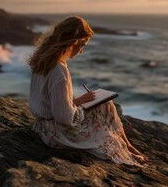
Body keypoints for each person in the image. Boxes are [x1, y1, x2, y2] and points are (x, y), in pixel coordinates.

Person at [28, 16, 148, 165]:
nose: (81, 51)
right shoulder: (59, 71)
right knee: (104, 108)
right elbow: (65, 119)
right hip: (56, 133)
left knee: (104, 103)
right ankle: (126, 148)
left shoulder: (42, 60)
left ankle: (128, 146)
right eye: (82, 45)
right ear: (72, 42)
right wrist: (80, 106)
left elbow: (50, 104)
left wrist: (81, 100)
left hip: (41, 127)